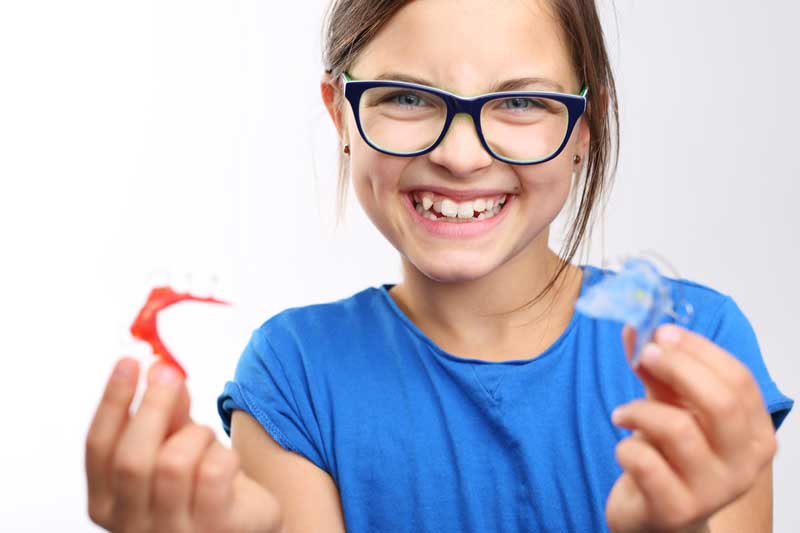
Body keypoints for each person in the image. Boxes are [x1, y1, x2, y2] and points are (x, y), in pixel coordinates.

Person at [85, 0, 794, 531]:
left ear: (585, 127)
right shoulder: (294, 372)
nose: (460, 155)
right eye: (406, 97)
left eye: (520, 101)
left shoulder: (695, 343)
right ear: (339, 117)